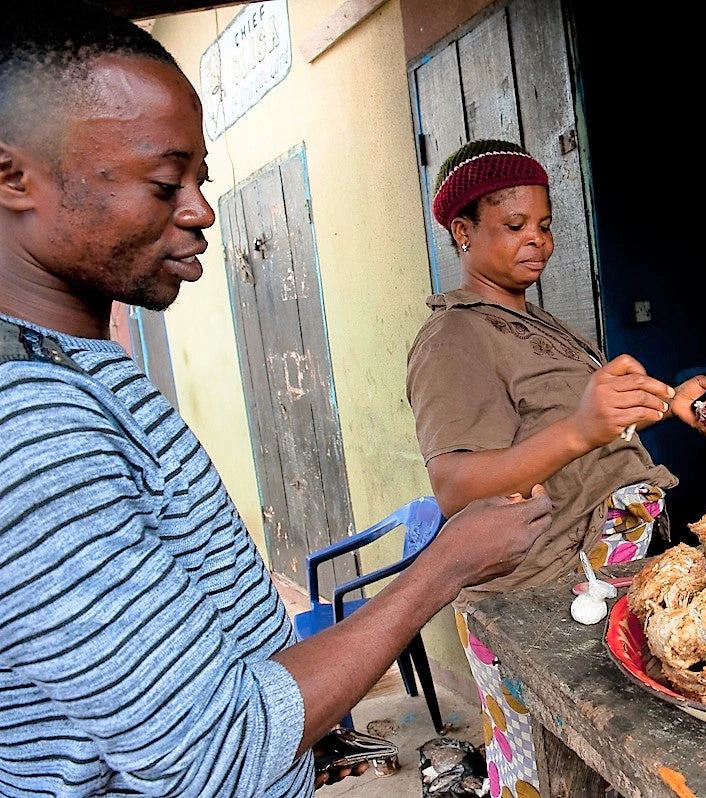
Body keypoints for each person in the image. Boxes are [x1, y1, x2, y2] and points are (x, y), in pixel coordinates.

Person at [0, 3, 552, 796]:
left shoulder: (84, 366)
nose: (199, 211)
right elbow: (217, 750)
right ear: (13, 176)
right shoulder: (28, 431)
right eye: (165, 183)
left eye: (200, 179)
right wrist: (444, 565)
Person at [406, 138, 706, 796]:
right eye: (514, 226)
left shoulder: (530, 321)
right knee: (538, 777)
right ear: (462, 232)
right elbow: (454, 484)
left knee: (595, 769)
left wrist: (672, 403)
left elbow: (587, 431)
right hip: (533, 605)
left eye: (545, 225)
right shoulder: (454, 338)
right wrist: (580, 427)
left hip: (590, 589)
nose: (538, 242)